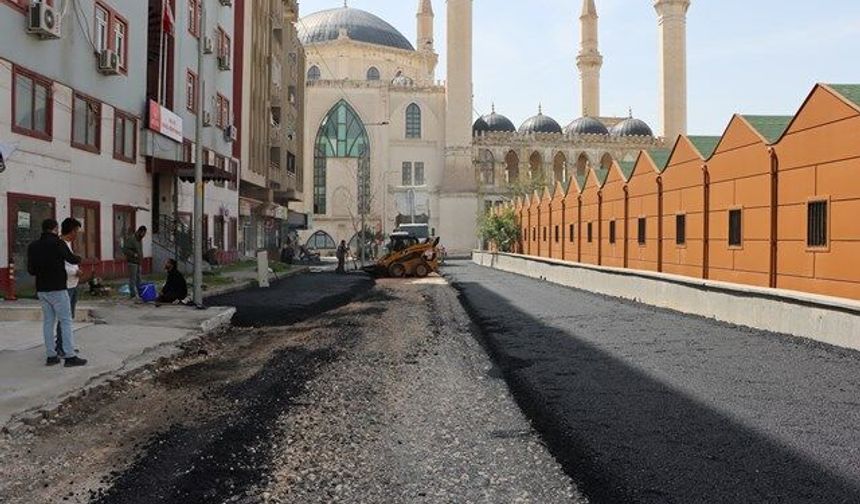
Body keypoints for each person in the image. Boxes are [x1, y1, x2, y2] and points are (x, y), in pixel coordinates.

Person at [27, 218, 86, 367]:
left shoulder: (33, 246)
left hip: (42, 289)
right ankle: (70, 356)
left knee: (48, 322)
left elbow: (31, 270)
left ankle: (51, 356)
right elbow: (72, 259)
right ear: (55, 228)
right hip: (58, 288)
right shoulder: (58, 243)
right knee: (66, 321)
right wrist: (79, 258)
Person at [55, 218, 82, 357]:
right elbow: (60, 266)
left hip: (73, 284)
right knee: (64, 318)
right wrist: (74, 272)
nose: (77, 234)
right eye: (76, 231)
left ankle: (66, 344)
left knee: (69, 317)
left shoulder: (68, 244)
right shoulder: (59, 245)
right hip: (65, 285)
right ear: (71, 231)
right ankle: (60, 346)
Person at [122, 226, 146, 300]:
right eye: (143, 233)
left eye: (144, 233)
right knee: (133, 279)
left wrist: (141, 257)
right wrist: (133, 254)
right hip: (132, 262)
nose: (144, 235)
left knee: (139, 279)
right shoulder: (132, 239)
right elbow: (125, 250)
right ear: (139, 231)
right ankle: (132, 295)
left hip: (138, 262)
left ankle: (140, 293)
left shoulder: (139, 239)